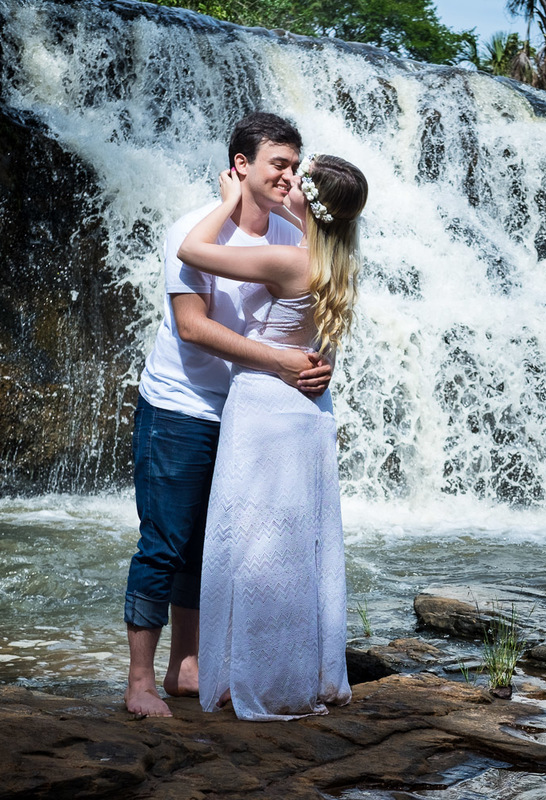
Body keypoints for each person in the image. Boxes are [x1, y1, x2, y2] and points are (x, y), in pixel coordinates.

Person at [124, 112, 331, 718]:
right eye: (279, 165)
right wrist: (282, 362)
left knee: (208, 548)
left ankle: (186, 668)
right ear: (242, 166)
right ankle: (139, 682)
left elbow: (309, 322)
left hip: (249, 415)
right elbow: (193, 328)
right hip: (181, 404)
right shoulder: (192, 230)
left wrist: (317, 367)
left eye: (296, 166)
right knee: (164, 542)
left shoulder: (292, 237)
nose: (291, 177)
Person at [177, 153, 367, 720]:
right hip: (308, 416)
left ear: (309, 200)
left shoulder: (288, 259)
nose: (287, 182)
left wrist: (228, 201)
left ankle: (255, 680)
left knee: (254, 551)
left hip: (264, 410)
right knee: (295, 553)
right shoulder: (340, 265)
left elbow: (190, 250)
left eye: (298, 177)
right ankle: (298, 674)